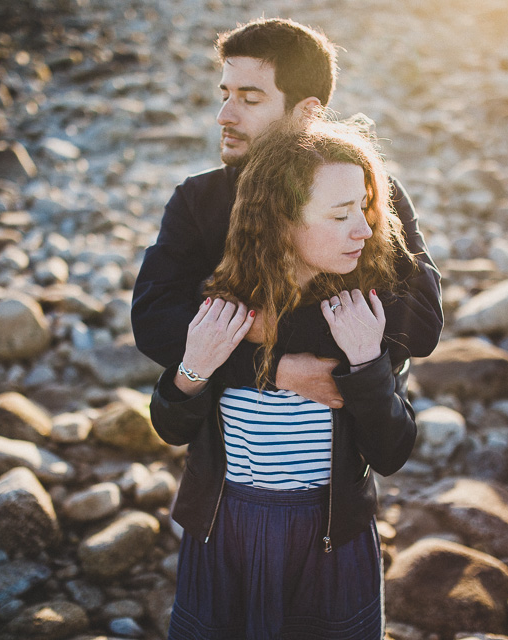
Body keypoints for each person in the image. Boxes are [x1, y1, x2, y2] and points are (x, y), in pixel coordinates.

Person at [149, 116, 418, 639]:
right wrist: (194, 367)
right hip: (222, 530)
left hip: (330, 538)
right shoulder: (222, 307)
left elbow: (392, 452)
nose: (363, 229)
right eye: (341, 215)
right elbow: (170, 426)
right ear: (281, 222)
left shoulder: (363, 312)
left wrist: (366, 363)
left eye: (364, 209)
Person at [131, 18, 442, 407]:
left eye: (250, 99)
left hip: (348, 452)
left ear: (307, 112)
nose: (224, 115)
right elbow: (154, 325)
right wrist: (277, 368)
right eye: (225, 94)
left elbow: (421, 325)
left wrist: (259, 327)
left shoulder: (372, 191)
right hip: (225, 455)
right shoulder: (199, 197)